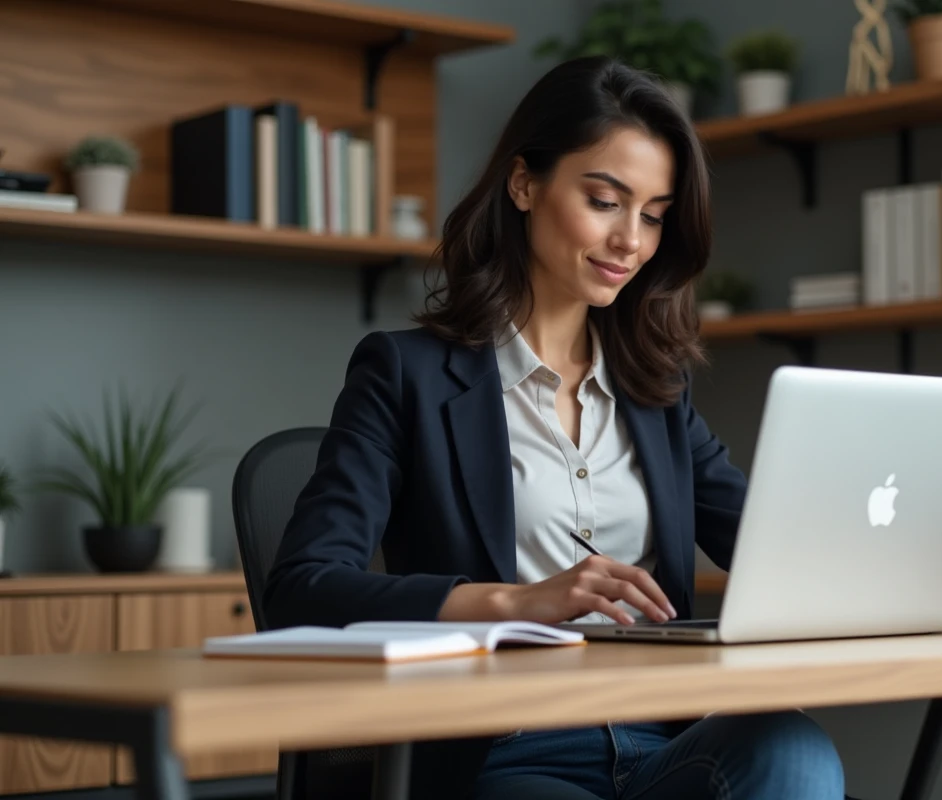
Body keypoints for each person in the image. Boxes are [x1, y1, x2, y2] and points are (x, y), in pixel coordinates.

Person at [263, 56, 845, 800]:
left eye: (655, 215)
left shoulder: (657, 394)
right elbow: (303, 589)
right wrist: (513, 602)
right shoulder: (404, 375)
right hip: (506, 756)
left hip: (664, 742)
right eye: (605, 200)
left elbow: (774, 553)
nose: (631, 240)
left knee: (790, 748)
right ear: (525, 184)